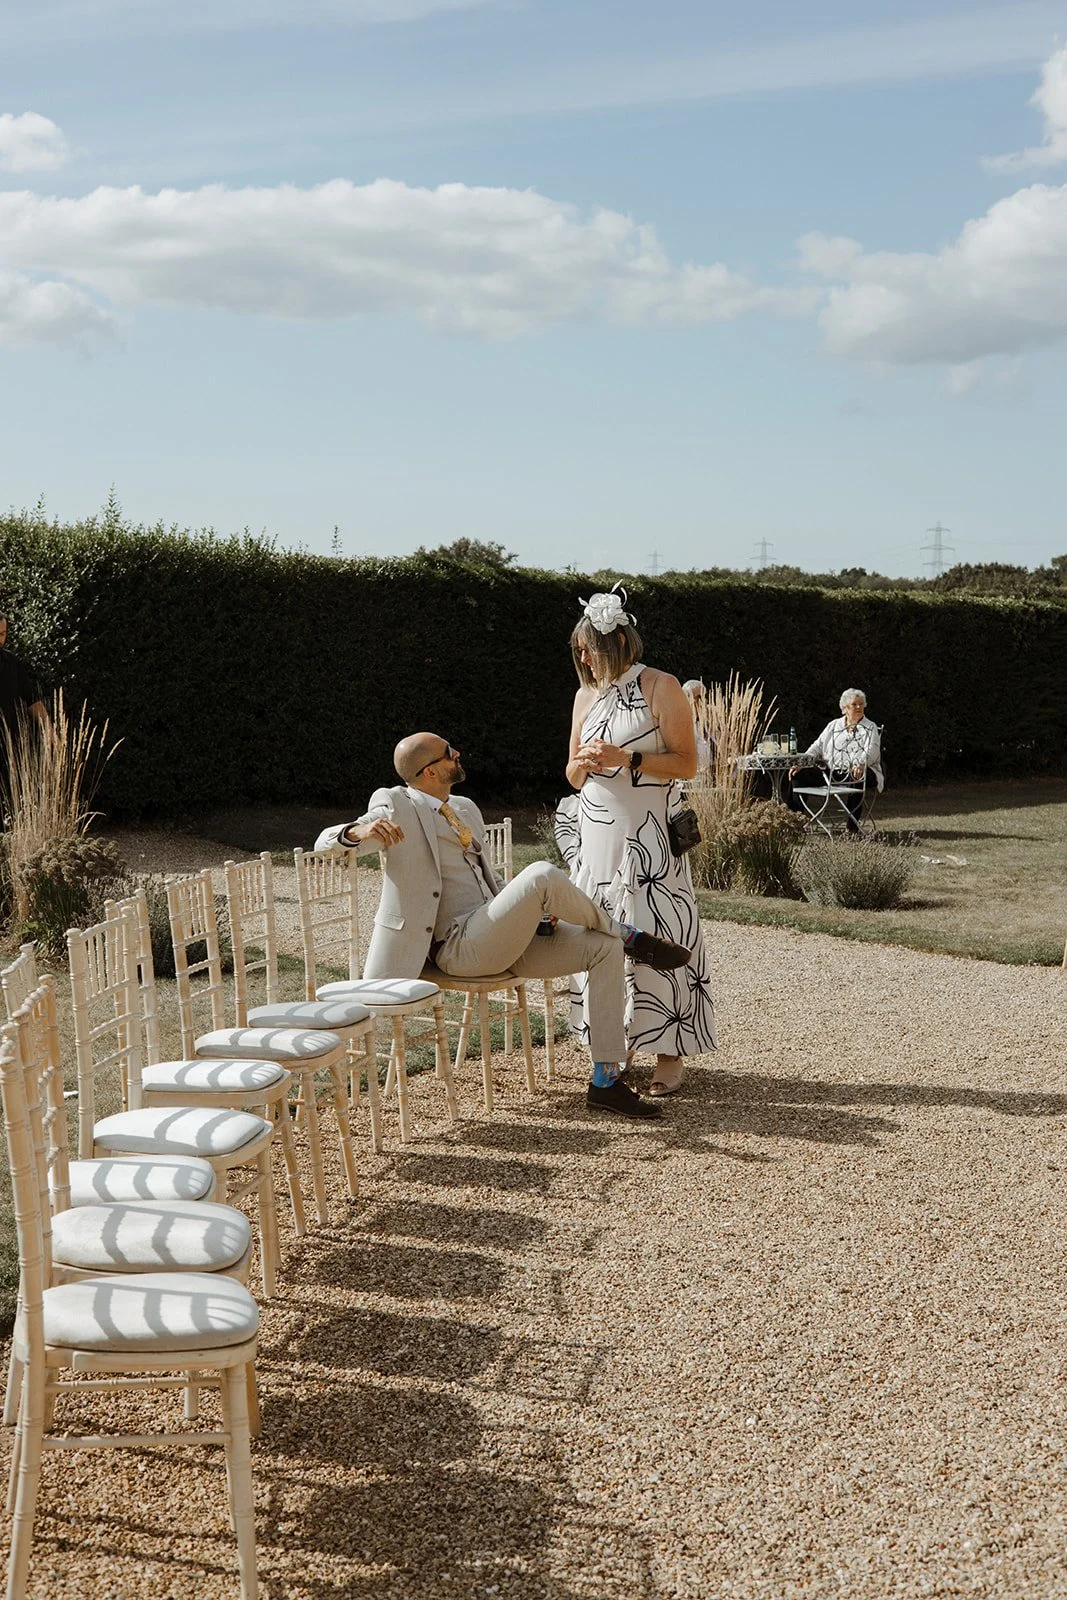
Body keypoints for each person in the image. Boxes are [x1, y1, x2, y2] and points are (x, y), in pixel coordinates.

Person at [316, 732, 693, 1120]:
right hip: (458, 948)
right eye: (449, 752)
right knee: (541, 874)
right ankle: (628, 934)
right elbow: (327, 842)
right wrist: (355, 832)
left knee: (603, 948)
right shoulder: (396, 802)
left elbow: (487, 881)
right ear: (429, 771)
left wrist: (528, 915)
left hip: (497, 938)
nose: (458, 753)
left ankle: (605, 1081)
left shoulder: (464, 808)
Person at [562, 589, 718, 1099]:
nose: (582, 658)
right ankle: (614, 1042)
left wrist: (626, 758)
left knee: (658, 928)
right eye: (579, 650)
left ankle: (670, 1050)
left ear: (615, 642)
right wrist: (583, 766)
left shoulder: (660, 686)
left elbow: (687, 764)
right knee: (603, 934)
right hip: (597, 836)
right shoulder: (584, 696)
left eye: (588, 648)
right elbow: (570, 775)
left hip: (648, 835)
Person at [787, 687, 883, 831]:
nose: (858, 707)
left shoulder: (870, 727)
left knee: (856, 775)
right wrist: (802, 763)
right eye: (854, 704)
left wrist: (861, 763)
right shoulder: (833, 725)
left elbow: (872, 750)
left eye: (861, 704)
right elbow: (817, 747)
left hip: (861, 771)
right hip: (831, 773)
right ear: (844, 708)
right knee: (798, 773)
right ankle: (794, 823)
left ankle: (852, 828)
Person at [0, 611, 48, 798]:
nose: (0, 639)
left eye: (3, 634)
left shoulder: (13, 664)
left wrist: (49, 730)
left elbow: (31, 699)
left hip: (7, 747)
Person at [681, 679, 713, 773]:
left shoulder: (713, 723)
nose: (705, 701)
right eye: (699, 697)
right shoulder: (679, 725)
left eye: (705, 696)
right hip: (692, 781)